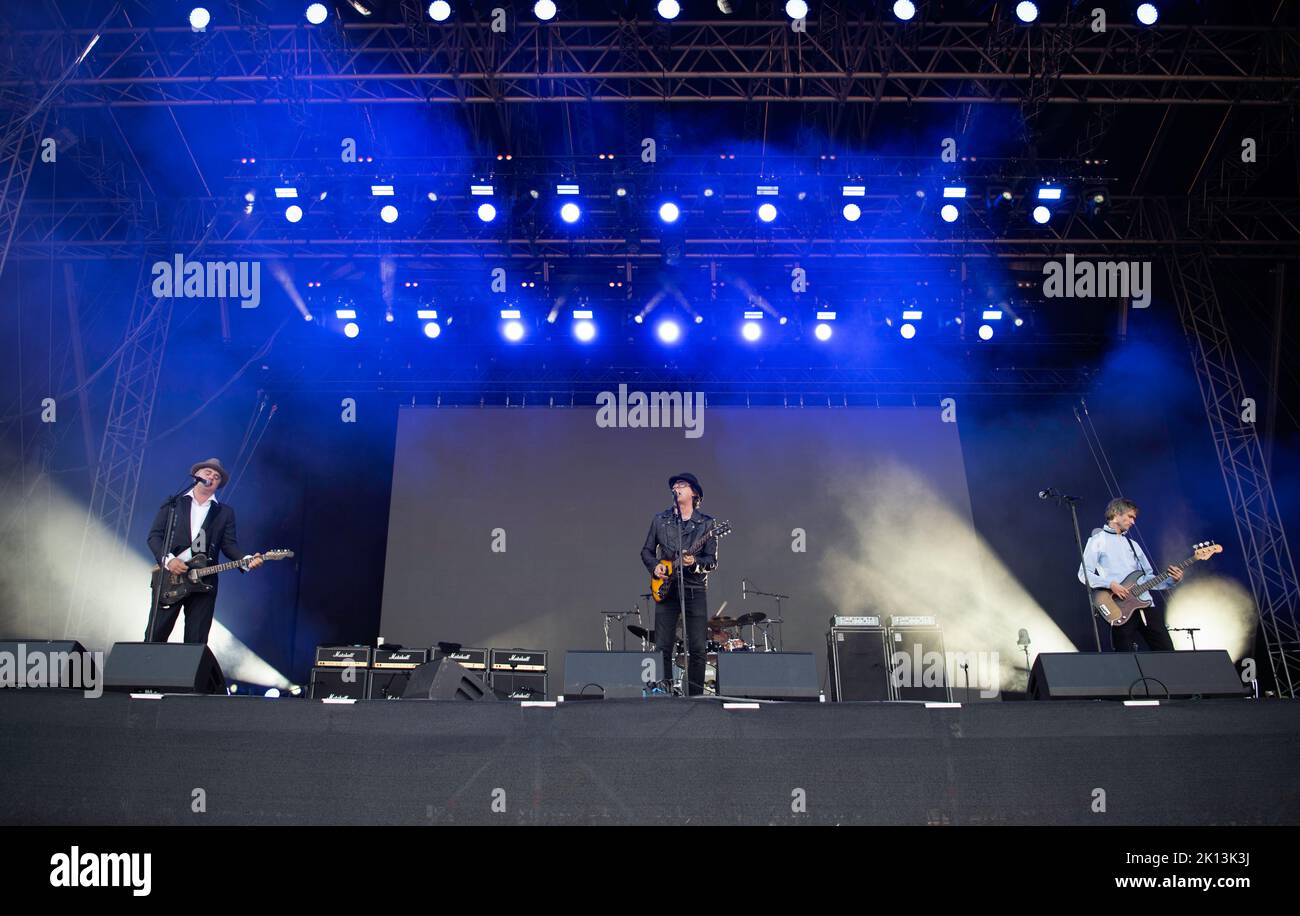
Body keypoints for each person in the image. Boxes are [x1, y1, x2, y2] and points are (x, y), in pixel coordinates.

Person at [145, 458, 262, 644]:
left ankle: (188, 673)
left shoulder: (224, 512)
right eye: (208, 473)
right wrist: (169, 560)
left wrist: (245, 559)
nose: (212, 477)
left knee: (196, 641)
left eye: (217, 477)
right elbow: (154, 536)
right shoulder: (174, 503)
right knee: (155, 636)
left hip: (204, 580)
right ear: (196, 475)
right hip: (170, 578)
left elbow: (229, 545)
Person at [641, 473, 719, 695]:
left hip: (694, 589)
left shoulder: (707, 524)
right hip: (666, 589)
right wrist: (655, 566)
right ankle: (664, 692)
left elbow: (712, 562)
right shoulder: (660, 520)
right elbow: (646, 550)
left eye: (682, 485)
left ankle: (695, 696)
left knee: (697, 647)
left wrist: (693, 562)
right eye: (674, 485)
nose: (676, 487)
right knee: (663, 646)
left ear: (694, 492)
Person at [1078, 497, 1182, 652]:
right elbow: (1083, 573)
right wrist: (1110, 584)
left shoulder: (1133, 545)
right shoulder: (1097, 541)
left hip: (1146, 604)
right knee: (1125, 658)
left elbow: (1148, 577)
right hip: (1119, 606)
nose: (1133, 522)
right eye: (1130, 516)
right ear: (1116, 514)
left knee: (1167, 651)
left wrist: (1171, 580)